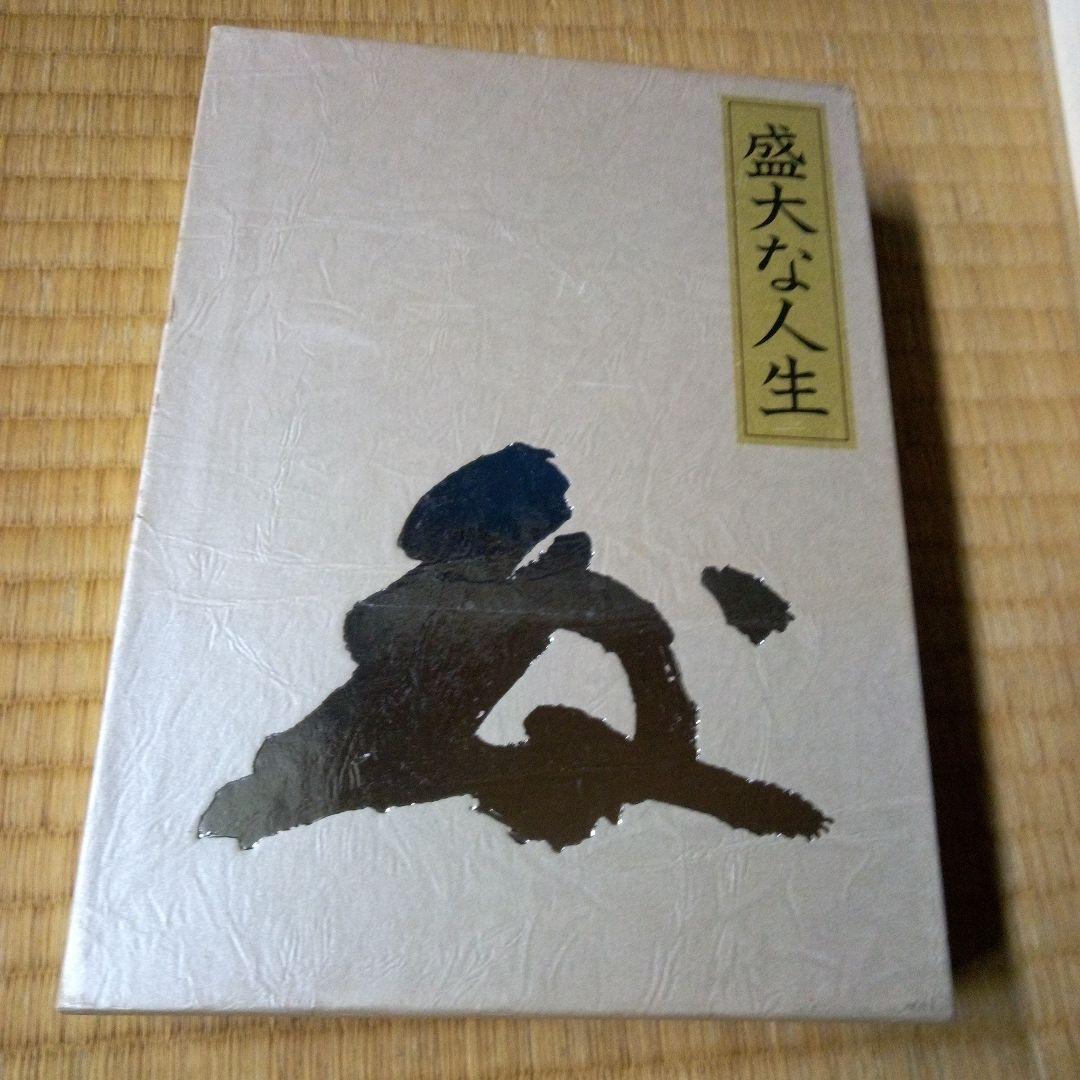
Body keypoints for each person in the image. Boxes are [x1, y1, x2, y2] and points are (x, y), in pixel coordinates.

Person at [200, 443, 828, 849]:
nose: (553, 523)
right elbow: (377, 633)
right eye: (539, 515)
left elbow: (643, 646)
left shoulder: (540, 589)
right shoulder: (452, 590)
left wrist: (667, 754)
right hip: (336, 762)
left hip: (393, 763)